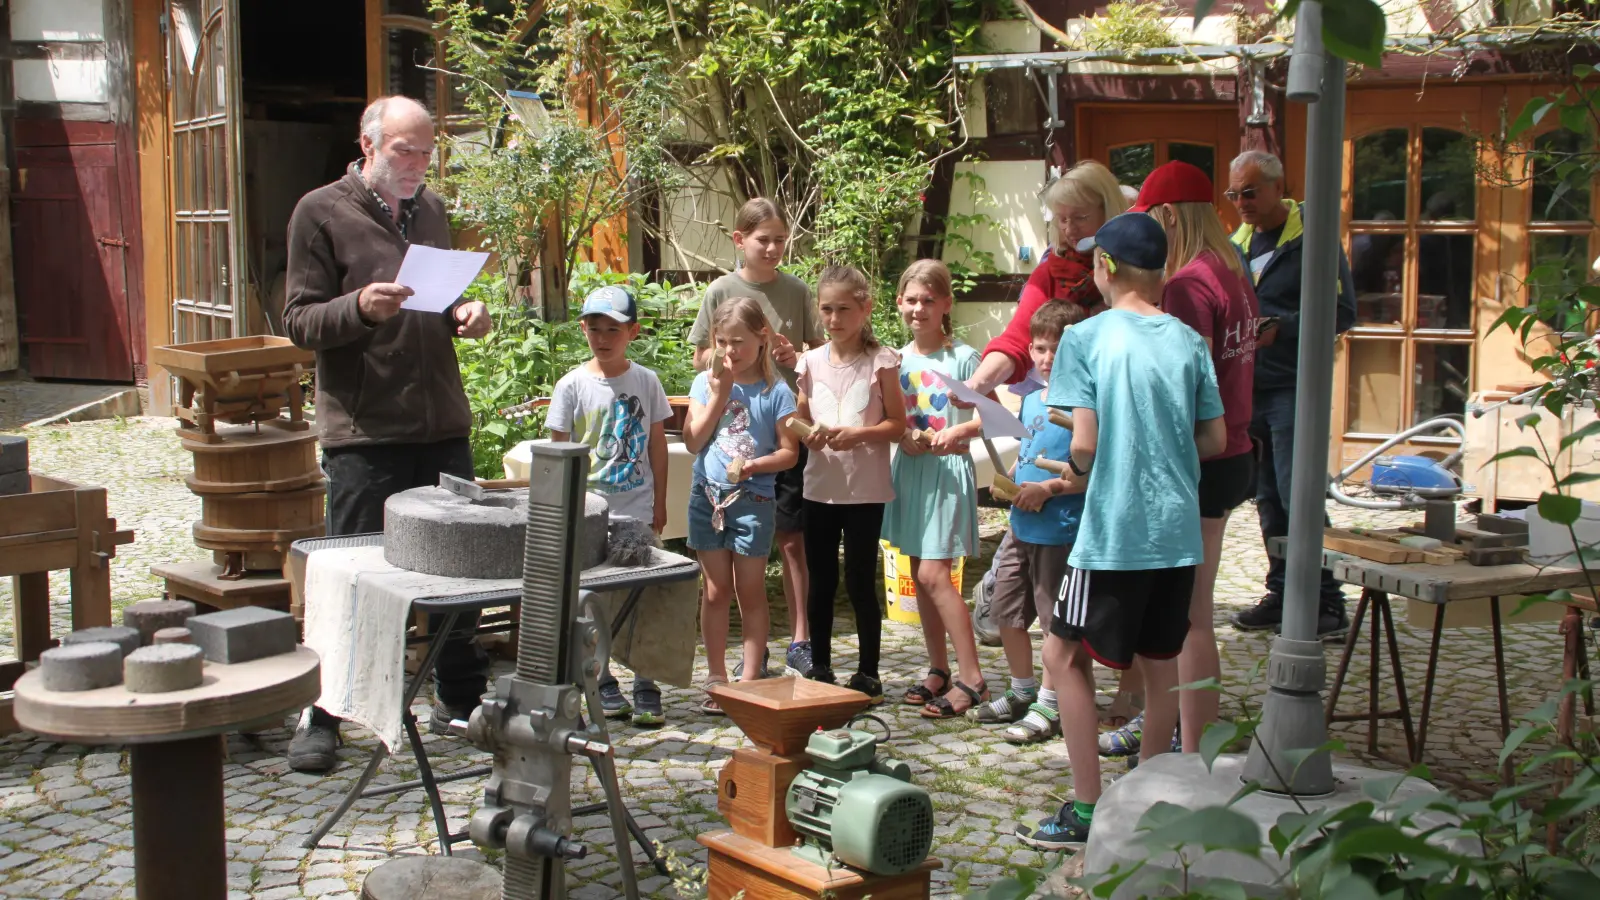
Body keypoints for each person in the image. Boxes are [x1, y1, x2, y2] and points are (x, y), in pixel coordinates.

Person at [281, 95, 493, 773]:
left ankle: (461, 697)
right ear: (368, 145)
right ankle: (325, 712)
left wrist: (464, 313)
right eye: (406, 151)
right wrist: (359, 308)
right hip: (365, 428)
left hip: (440, 419)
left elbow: (436, 298)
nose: (418, 165)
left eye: (427, 153)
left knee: (460, 566)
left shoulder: (429, 209)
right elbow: (298, 320)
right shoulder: (320, 211)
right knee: (352, 572)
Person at [1016, 213, 1226, 849]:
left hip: (1113, 531)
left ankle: (1087, 811)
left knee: (1061, 657)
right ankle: (1145, 807)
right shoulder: (1187, 340)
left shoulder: (1086, 337)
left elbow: (1084, 443)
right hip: (1176, 531)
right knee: (1162, 668)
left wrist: (1076, 472)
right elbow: (1215, 437)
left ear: (1104, 267)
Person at [1135, 161, 1259, 752]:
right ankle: (1193, 737)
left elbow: (1187, 385)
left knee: (1189, 616)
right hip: (1234, 452)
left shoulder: (1187, 284)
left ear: (1167, 215)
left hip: (1200, 460)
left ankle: (1191, 750)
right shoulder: (1233, 268)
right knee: (1197, 610)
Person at [689, 198, 825, 678]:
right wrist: (723, 375)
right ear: (740, 240)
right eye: (762, 239)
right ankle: (742, 662)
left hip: (781, 424)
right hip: (725, 441)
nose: (772, 248)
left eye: (779, 240)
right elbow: (700, 358)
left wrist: (793, 358)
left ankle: (799, 639)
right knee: (721, 583)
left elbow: (818, 356)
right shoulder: (721, 290)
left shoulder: (797, 289)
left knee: (790, 540)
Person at [1225, 150, 1357, 639]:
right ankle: (1282, 594)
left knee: (1297, 492)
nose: (1241, 202)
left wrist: (1284, 327)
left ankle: (1327, 601)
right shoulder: (1237, 243)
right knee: (1267, 498)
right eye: (1233, 194)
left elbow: (1343, 312)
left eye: (1250, 192)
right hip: (1251, 387)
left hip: (1293, 385)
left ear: (1279, 187)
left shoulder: (1314, 240)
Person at [547, 285, 672, 727]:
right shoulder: (571, 385)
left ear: (632, 332)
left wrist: (660, 502)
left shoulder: (646, 381)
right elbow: (558, 453)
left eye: (613, 329)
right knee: (592, 602)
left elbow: (657, 444)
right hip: (587, 513)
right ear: (583, 329)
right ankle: (601, 680)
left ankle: (646, 682)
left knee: (641, 598)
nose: (602, 338)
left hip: (636, 508)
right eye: (594, 328)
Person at [968, 302, 1087, 747]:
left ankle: (1051, 703)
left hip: (1059, 530)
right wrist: (1014, 480)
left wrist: (1048, 489)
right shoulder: (1032, 398)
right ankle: (1022, 690)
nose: (1046, 358)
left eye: (1057, 348)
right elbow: (1029, 451)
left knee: (1055, 621)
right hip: (1021, 526)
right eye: (1039, 348)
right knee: (1006, 611)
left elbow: (1088, 473)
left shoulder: (1085, 406)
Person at [880, 260, 990, 719]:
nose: (919, 309)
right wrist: (902, 434)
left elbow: (992, 417)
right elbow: (888, 417)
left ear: (946, 304)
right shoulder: (894, 360)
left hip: (946, 473)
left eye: (928, 300)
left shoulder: (964, 358)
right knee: (917, 574)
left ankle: (974, 677)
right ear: (899, 303)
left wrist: (958, 432)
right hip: (910, 472)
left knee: (934, 576)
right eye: (911, 300)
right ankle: (938, 669)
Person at [794, 266, 908, 703]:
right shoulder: (810, 361)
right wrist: (808, 434)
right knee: (821, 580)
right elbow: (800, 418)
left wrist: (859, 434)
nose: (834, 318)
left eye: (843, 309)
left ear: (865, 308)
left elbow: (897, 424)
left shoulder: (881, 362)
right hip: (819, 488)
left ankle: (868, 671)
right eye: (826, 309)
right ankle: (820, 666)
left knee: (860, 580)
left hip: (865, 490)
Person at [683, 297, 800, 714]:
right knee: (715, 591)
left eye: (738, 342)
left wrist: (754, 466)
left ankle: (750, 679)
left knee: (749, 590)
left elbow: (790, 453)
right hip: (707, 497)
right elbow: (693, 441)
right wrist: (719, 395)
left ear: (762, 338)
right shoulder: (705, 383)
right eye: (722, 342)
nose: (729, 351)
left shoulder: (776, 391)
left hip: (754, 501)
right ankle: (716, 676)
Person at [965, 160, 1127, 397]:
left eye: (1080, 217)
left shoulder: (1133, 267)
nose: (1069, 229)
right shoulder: (1049, 272)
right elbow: (1017, 337)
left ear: (1108, 212)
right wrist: (977, 384)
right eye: (1062, 219)